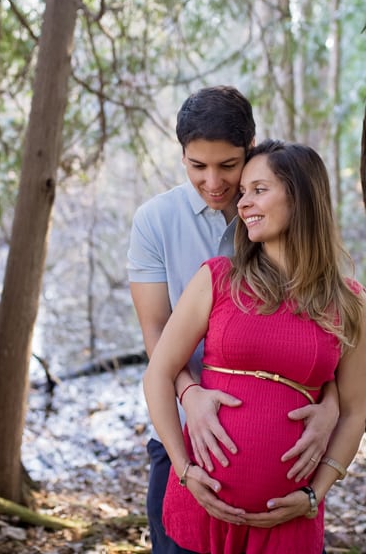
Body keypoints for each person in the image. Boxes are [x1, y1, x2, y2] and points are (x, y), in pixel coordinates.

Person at [128, 88, 341, 553]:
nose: (213, 182)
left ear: (251, 148)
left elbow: (319, 326)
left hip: (284, 459)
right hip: (181, 433)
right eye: (196, 166)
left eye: (228, 166)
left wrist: (334, 401)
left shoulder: (277, 214)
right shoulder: (155, 221)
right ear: (182, 156)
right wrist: (191, 393)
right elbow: (157, 334)